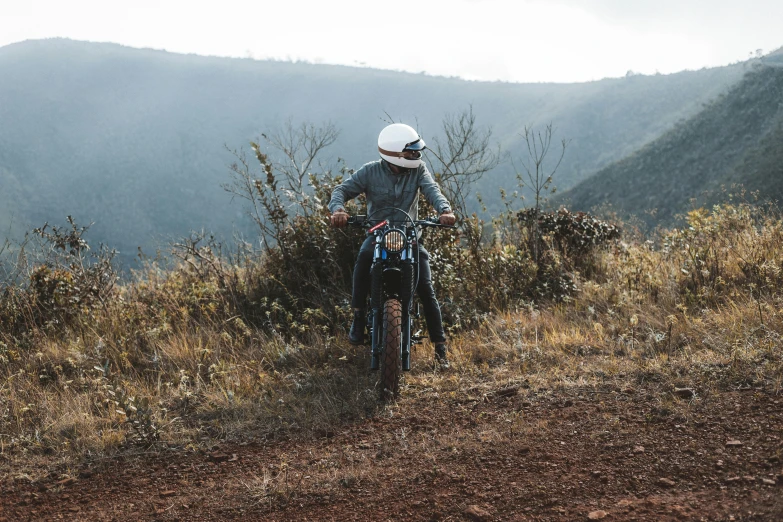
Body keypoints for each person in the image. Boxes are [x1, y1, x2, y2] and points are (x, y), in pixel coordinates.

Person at [328, 123, 457, 367]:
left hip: (409, 235)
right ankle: (358, 316)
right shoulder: (370, 172)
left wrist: (445, 210)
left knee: (426, 288)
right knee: (364, 259)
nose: (416, 156)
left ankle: (440, 348)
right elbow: (342, 190)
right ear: (395, 153)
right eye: (410, 152)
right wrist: (338, 210)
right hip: (378, 234)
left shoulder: (418, 170)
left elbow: (433, 191)